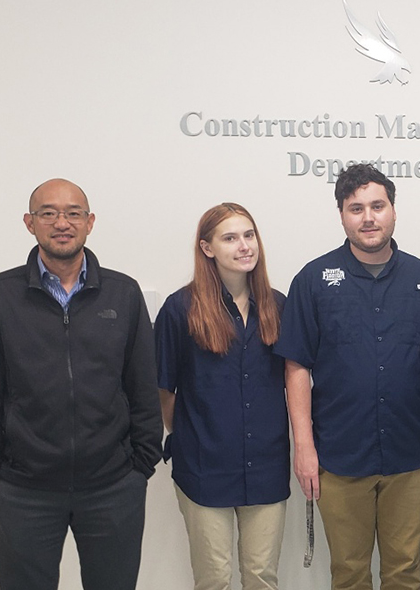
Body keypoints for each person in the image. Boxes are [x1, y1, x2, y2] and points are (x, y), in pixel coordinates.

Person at [0, 178, 163, 590]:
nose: (61, 222)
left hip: (112, 487)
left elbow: (143, 386)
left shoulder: (122, 294)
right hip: (24, 490)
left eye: (73, 213)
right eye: (48, 213)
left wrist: (140, 466)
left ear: (90, 222)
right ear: (29, 222)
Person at [275, 164, 420, 590]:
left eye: (377, 206)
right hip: (339, 457)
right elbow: (296, 366)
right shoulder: (313, 281)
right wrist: (304, 447)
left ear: (393, 210)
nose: (368, 217)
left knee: (404, 571)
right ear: (342, 215)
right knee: (349, 573)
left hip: (411, 456)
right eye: (356, 208)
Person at [155, 203, 289, 590]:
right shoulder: (181, 309)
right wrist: (191, 435)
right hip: (204, 465)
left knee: (262, 577)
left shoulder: (277, 306)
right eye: (230, 238)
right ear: (207, 248)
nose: (244, 246)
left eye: (249, 235)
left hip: (266, 464)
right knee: (214, 579)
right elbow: (164, 389)